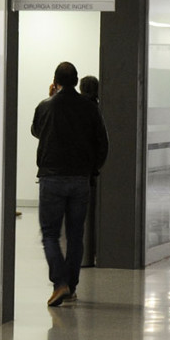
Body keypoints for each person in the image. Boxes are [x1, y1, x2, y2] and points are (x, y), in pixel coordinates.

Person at [31, 62, 109, 307]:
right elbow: (102, 143)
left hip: (51, 178)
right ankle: (71, 288)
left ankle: (60, 283)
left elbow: (36, 131)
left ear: (56, 81)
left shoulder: (46, 107)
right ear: (76, 81)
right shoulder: (90, 108)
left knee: (51, 235)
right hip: (79, 179)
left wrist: (50, 96)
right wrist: (92, 171)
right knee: (76, 236)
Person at [78, 75, 100, 269]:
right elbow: (103, 142)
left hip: (71, 169)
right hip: (89, 171)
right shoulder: (98, 109)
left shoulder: (73, 108)